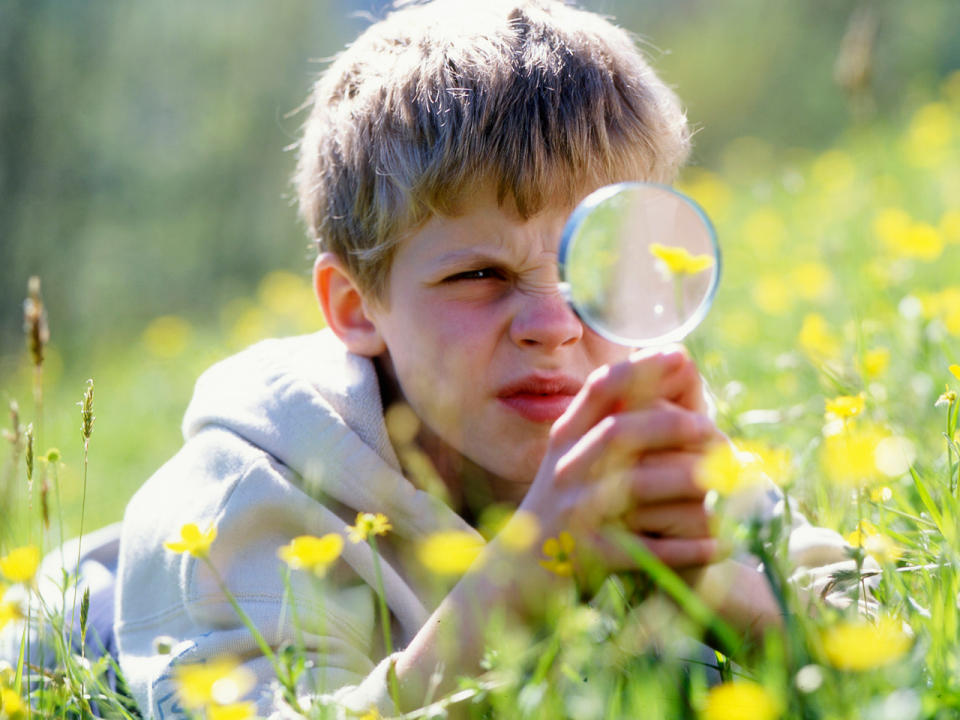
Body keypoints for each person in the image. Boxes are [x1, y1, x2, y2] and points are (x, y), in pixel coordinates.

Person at [111, 1, 855, 716]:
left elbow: (889, 634)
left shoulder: (645, 439)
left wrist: (716, 586)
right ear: (354, 305)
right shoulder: (238, 500)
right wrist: (518, 585)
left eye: (596, 266)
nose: (555, 326)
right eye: (479, 275)